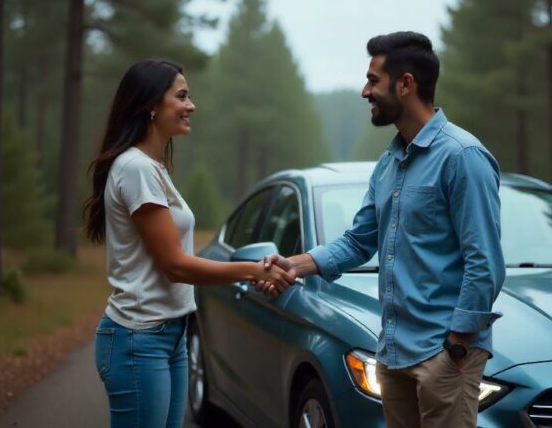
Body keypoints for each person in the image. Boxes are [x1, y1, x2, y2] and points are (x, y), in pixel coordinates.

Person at [259, 32, 505, 428]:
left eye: (373, 80)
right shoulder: (389, 162)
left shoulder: (463, 157)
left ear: (405, 84)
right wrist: (293, 265)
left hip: (443, 356)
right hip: (392, 353)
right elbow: (359, 240)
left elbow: (485, 261)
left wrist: (456, 345)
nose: (364, 91)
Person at [82, 59, 295, 428]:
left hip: (169, 334)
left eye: (189, 96)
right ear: (151, 105)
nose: (191, 105)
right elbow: (176, 265)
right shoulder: (136, 168)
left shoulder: (153, 167)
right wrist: (251, 270)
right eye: (181, 96)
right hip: (139, 339)